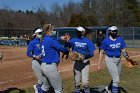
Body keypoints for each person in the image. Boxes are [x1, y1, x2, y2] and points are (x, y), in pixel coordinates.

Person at [97, 26, 129, 93]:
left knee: (117, 76)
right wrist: (99, 64)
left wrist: (127, 57)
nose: (114, 32)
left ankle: (109, 88)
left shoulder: (120, 39)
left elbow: (123, 49)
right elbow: (101, 52)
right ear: (109, 32)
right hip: (110, 60)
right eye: (113, 31)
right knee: (116, 79)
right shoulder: (105, 41)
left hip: (118, 60)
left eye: (115, 31)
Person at [39, 24, 69, 93]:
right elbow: (63, 49)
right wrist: (67, 45)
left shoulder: (43, 39)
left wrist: (60, 38)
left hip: (43, 66)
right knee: (59, 90)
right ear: (49, 31)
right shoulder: (51, 40)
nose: (54, 31)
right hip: (50, 67)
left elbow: (52, 41)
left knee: (44, 88)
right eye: (53, 30)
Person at [65, 26, 96, 93]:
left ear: (83, 32)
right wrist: (67, 41)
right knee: (77, 82)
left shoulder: (87, 41)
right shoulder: (73, 40)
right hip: (76, 62)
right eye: (77, 32)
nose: (77, 33)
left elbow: (92, 53)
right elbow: (67, 47)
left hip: (85, 62)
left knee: (85, 83)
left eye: (79, 32)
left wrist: (84, 57)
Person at [26, 28, 44, 93]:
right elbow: (28, 53)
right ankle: (37, 88)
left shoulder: (42, 41)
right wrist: (35, 56)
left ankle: (39, 88)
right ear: (36, 34)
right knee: (41, 79)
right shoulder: (32, 42)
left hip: (43, 61)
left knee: (45, 78)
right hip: (36, 62)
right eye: (39, 33)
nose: (41, 35)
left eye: (41, 33)